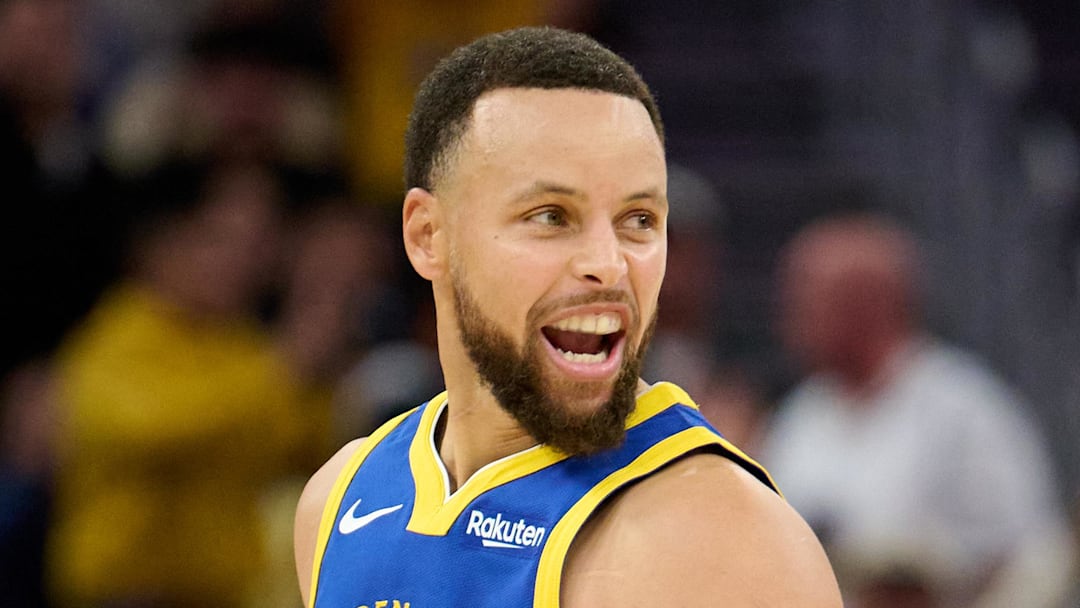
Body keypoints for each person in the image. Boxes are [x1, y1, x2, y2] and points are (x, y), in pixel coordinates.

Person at [293, 26, 841, 608]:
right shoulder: (339, 498)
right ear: (429, 235)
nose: (609, 265)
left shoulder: (718, 542)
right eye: (552, 216)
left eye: (639, 220)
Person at [47, 157, 340, 608]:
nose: (236, 262)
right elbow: (153, 427)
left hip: (225, 594)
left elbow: (293, 447)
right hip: (126, 595)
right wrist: (283, 369)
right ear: (160, 248)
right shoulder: (116, 336)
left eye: (247, 245)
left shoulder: (240, 343)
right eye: (214, 242)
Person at [763, 214, 1077, 608]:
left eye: (808, 295)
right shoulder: (799, 417)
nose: (789, 313)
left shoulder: (966, 409)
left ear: (869, 302)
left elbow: (1037, 558)